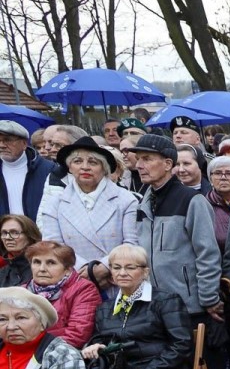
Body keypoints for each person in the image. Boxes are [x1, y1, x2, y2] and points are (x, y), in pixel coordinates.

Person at [128, 135, 223, 326]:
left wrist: (208, 298)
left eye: (147, 159)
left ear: (167, 164)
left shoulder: (191, 200)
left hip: (189, 306)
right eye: (138, 159)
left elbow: (208, 253)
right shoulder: (142, 203)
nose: (139, 165)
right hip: (153, 305)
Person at [36, 136, 138, 284]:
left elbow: (131, 242)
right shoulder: (55, 203)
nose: (85, 167)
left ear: (104, 168)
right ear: (69, 167)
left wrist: (103, 267)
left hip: (116, 278)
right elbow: (53, 245)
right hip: (74, 280)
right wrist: (85, 270)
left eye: (93, 162)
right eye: (77, 161)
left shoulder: (126, 200)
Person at [23, 240, 100, 348]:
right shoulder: (22, 291)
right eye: (36, 262)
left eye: (51, 263)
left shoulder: (84, 289)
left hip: (58, 355)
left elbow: (77, 335)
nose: (42, 269)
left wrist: (36, 351)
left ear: (68, 269)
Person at [0, 120, 55, 220]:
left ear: (24, 143)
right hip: (4, 234)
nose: (2, 145)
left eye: (7, 140)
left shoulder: (49, 169)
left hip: (38, 233)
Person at [205, 155, 230, 254]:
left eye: (229, 173)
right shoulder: (205, 206)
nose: (223, 177)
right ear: (211, 179)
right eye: (217, 173)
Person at [0, 214, 38, 287]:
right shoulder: (2, 273)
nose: (8, 237)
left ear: (29, 235)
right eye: (4, 233)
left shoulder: (42, 267)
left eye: (15, 232)